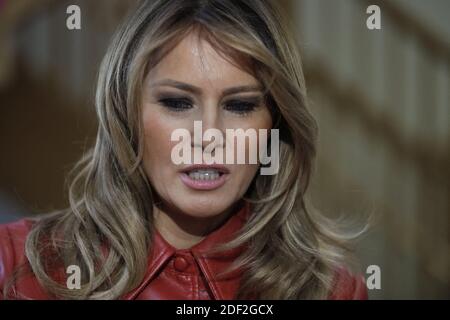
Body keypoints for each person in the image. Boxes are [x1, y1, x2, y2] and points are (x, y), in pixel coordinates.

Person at [0, 0, 367, 299]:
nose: (208, 136)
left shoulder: (332, 292)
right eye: (177, 103)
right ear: (126, 114)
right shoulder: (16, 265)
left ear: (276, 126)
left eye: (239, 106)